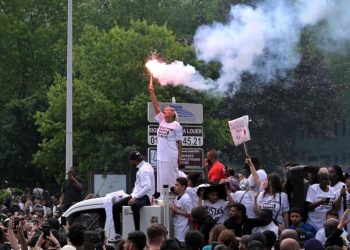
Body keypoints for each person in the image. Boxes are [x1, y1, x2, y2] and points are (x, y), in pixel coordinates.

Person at [148, 78, 183, 195]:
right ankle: (163, 197)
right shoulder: (162, 121)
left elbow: (179, 143)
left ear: (173, 114)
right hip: (161, 156)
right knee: (162, 180)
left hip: (170, 156)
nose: (165, 111)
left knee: (171, 179)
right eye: (165, 110)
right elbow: (156, 105)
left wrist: (180, 158)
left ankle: (173, 197)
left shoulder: (176, 125)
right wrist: (152, 93)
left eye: (168, 110)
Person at [113, 151, 155, 234]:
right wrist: (132, 195)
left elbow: (147, 187)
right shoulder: (146, 165)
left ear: (132, 161)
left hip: (146, 197)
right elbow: (140, 185)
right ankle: (118, 233)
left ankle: (137, 231)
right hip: (140, 194)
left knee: (134, 205)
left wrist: (135, 197)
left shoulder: (143, 170)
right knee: (116, 206)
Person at [170, 177, 193, 243]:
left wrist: (176, 210)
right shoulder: (177, 197)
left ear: (183, 187)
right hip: (177, 225)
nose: (175, 187)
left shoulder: (186, 198)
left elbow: (190, 214)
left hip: (183, 227)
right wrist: (173, 210)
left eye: (177, 185)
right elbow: (175, 212)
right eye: (175, 185)